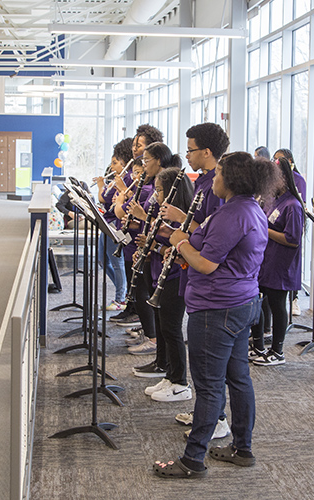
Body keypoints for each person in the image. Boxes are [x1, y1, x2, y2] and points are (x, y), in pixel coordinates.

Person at [153, 152, 275, 479]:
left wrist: (179, 242)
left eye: (217, 174)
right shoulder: (248, 209)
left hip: (216, 309)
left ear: (230, 180)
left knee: (209, 387)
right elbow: (211, 247)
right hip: (240, 304)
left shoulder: (233, 214)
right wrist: (186, 244)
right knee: (238, 379)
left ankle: (193, 460)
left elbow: (206, 263)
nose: (212, 180)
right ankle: (242, 448)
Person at [156, 122, 231, 434]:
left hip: (213, 284)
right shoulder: (202, 183)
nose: (186, 155)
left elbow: (212, 235)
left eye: (190, 150)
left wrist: (180, 228)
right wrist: (178, 238)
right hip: (196, 276)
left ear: (207, 152)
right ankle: (207, 411)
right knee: (201, 357)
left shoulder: (220, 187)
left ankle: (218, 419)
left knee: (212, 360)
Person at [137, 167, 195, 402]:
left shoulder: (185, 219)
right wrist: (148, 250)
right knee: (163, 328)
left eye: (160, 190)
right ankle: (171, 376)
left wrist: (157, 247)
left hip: (175, 277)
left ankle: (180, 382)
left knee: (172, 329)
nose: (156, 195)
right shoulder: (163, 215)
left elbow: (184, 247)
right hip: (159, 272)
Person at [124, 142, 182, 359]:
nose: (143, 163)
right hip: (152, 252)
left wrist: (153, 243)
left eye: (146, 160)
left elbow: (166, 226)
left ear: (158, 160)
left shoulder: (168, 187)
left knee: (169, 326)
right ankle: (160, 360)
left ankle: (168, 367)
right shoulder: (155, 184)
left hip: (164, 259)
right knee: (159, 317)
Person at [249, 157, 304, 366]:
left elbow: (292, 239)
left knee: (278, 306)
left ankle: (278, 351)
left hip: (281, 264)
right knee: (260, 304)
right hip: (266, 261)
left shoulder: (293, 205)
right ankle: (259, 346)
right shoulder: (274, 199)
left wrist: (265, 229)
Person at [109, 124, 164, 327]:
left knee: (143, 288)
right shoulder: (142, 181)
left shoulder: (153, 184)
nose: (135, 149)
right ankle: (140, 320)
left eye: (139, 146)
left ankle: (148, 330)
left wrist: (126, 197)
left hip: (146, 242)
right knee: (138, 285)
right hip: (136, 238)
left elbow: (144, 211)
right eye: (134, 144)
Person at [94, 138, 133, 310]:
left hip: (116, 227)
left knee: (118, 264)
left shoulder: (124, 181)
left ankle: (121, 298)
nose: (112, 167)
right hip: (107, 223)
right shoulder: (116, 180)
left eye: (115, 163)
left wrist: (102, 185)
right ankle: (122, 291)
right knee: (102, 260)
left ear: (124, 163)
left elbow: (104, 198)